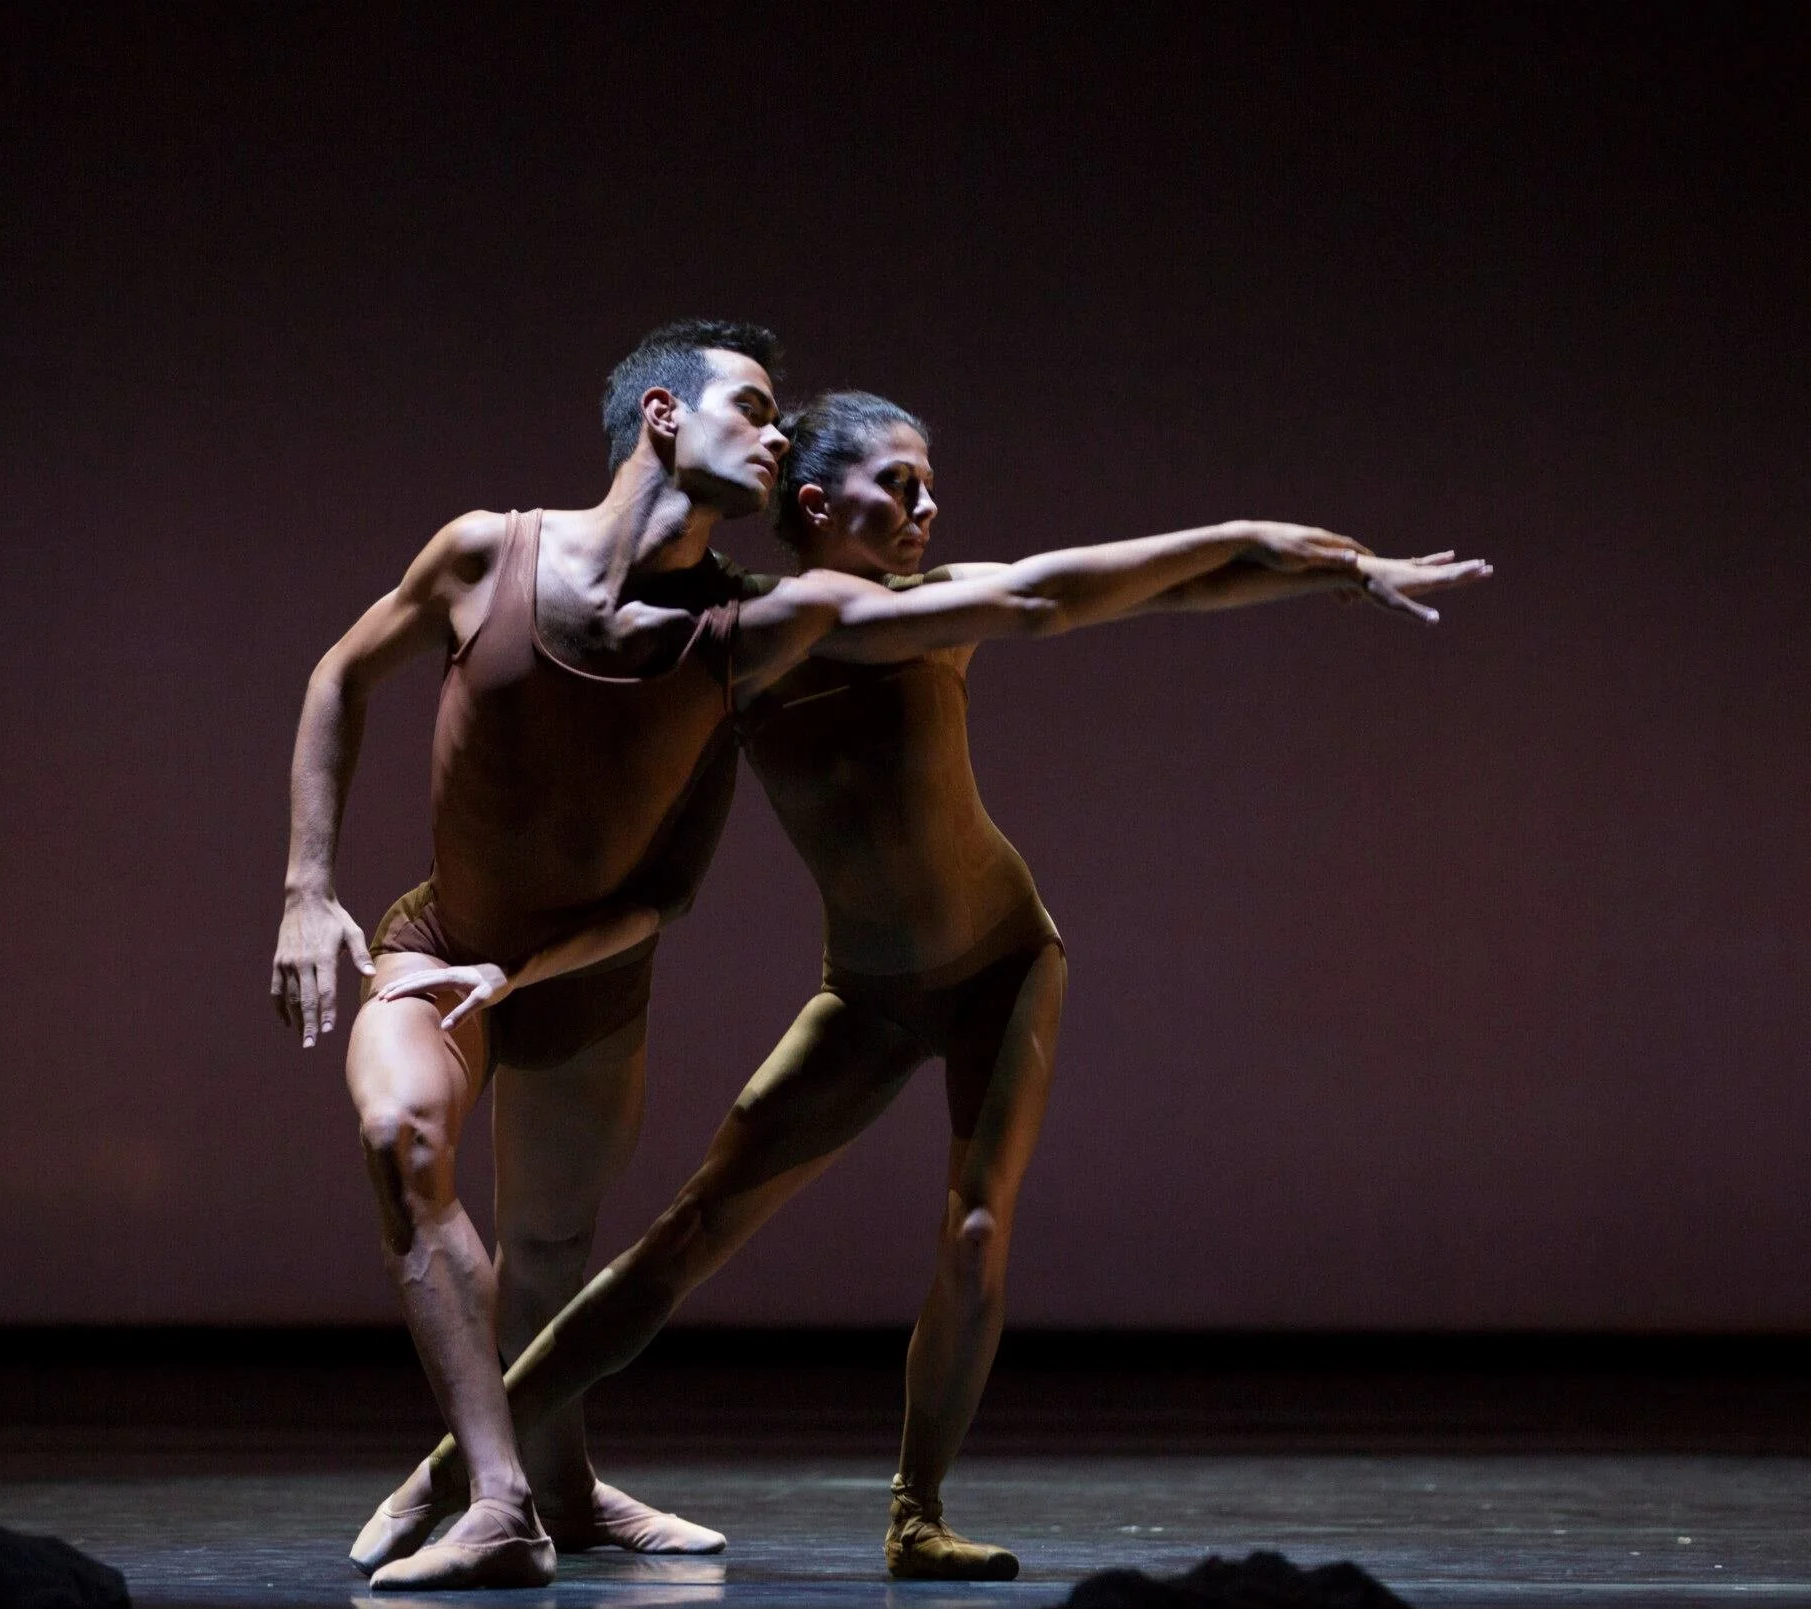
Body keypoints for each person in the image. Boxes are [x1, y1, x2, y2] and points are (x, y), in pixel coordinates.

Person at [275, 327, 1381, 1590]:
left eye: (923, 488)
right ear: (683, 429)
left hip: (935, 960)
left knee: (914, 1231)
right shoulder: (626, 597)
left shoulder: (826, 625)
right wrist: (320, 891)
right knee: (587, 1199)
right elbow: (374, 692)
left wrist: (1303, 556)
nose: (919, 506)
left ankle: (843, 1504)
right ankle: (485, 1479)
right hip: (724, 977)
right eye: (892, 483)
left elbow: (1056, 594)